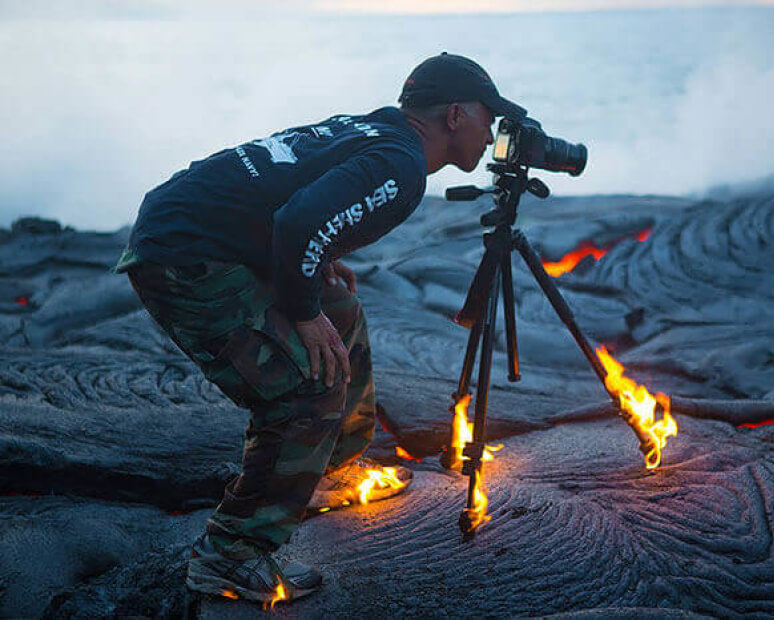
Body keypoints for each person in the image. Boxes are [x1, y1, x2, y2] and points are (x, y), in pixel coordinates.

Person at [113, 52, 526, 604]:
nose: (492, 129)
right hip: (185, 256)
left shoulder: (376, 127)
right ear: (455, 115)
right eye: (487, 115)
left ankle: (331, 468)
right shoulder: (400, 166)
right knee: (307, 387)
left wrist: (315, 262)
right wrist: (303, 312)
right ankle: (230, 554)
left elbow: (292, 195)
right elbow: (298, 220)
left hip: (200, 227)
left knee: (342, 310)